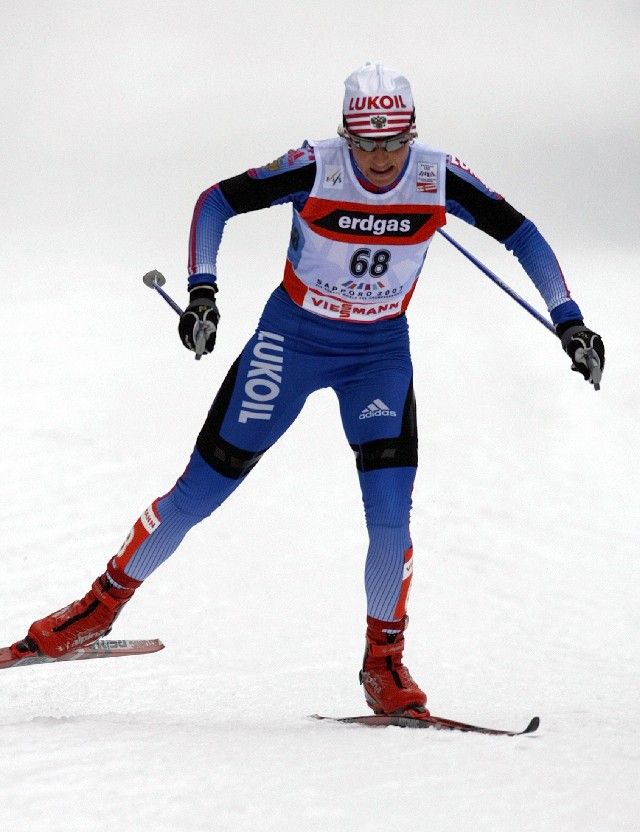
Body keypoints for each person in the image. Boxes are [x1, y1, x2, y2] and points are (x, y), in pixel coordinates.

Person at [10, 62, 604, 717]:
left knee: (389, 515)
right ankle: (96, 608)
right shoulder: (316, 167)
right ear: (345, 136)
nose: (381, 160)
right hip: (290, 343)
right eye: (366, 144)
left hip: (377, 355)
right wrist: (203, 293)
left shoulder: (437, 178)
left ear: (413, 134)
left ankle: (384, 663)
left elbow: (522, 234)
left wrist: (569, 320)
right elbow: (217, 201)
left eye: (394, 142)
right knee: (200, 492)